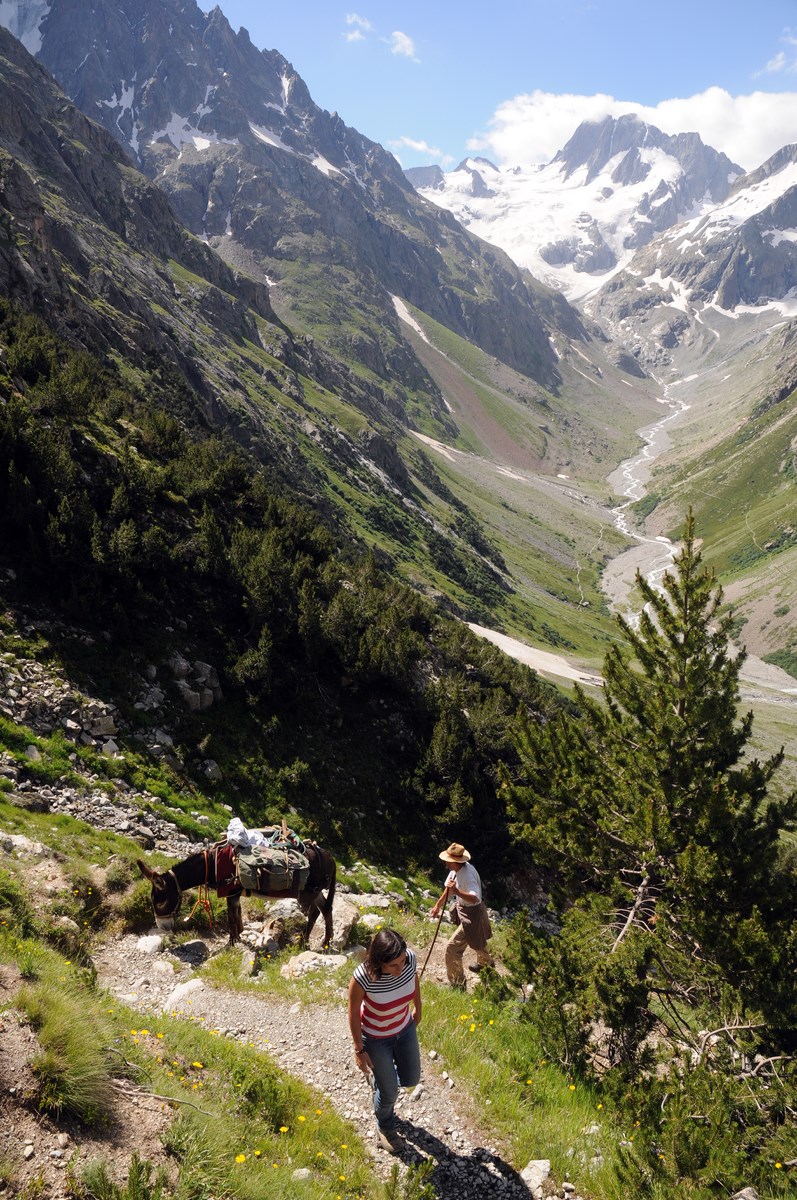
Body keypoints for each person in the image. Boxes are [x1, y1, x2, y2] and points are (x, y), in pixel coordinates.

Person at [348, 929, 422, 1154]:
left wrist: (418, 1008)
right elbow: (352, 1013)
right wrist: (359, 1050)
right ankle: (385, 1126)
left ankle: (381, 1081)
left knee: (411, 1078)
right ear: (378, 961)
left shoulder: (409, 959)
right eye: (393, 966)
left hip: (404, 1028)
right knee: (390, 1092)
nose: (400, 970)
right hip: (376, 1038)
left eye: (402, 962)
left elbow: (413, 978)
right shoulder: (363, 977)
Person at [430, 842, 494, 987]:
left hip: (472, 913)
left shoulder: (468, 874)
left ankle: (458, 982)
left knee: (452, 948)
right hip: (466, 910)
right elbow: (449, 888)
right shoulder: (455, 870)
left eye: (447, 859)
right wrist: (437, 905)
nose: (445, 861)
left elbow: (475, 897)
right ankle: (486, 965)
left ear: (454, 861)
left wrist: (457, 892)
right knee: (476, 940)